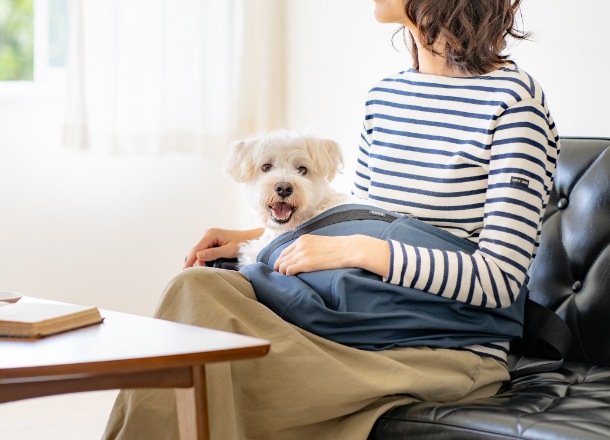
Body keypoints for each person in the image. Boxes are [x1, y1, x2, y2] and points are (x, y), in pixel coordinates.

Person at [103, 0, 559, 439]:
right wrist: (257, 237)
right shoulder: (386, 96)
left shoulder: (514, 102)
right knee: (196, 290)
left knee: (222, 375)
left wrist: (358, 250)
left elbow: (499, 280)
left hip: (442, 347)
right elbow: (363, 219)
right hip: (353, 320)